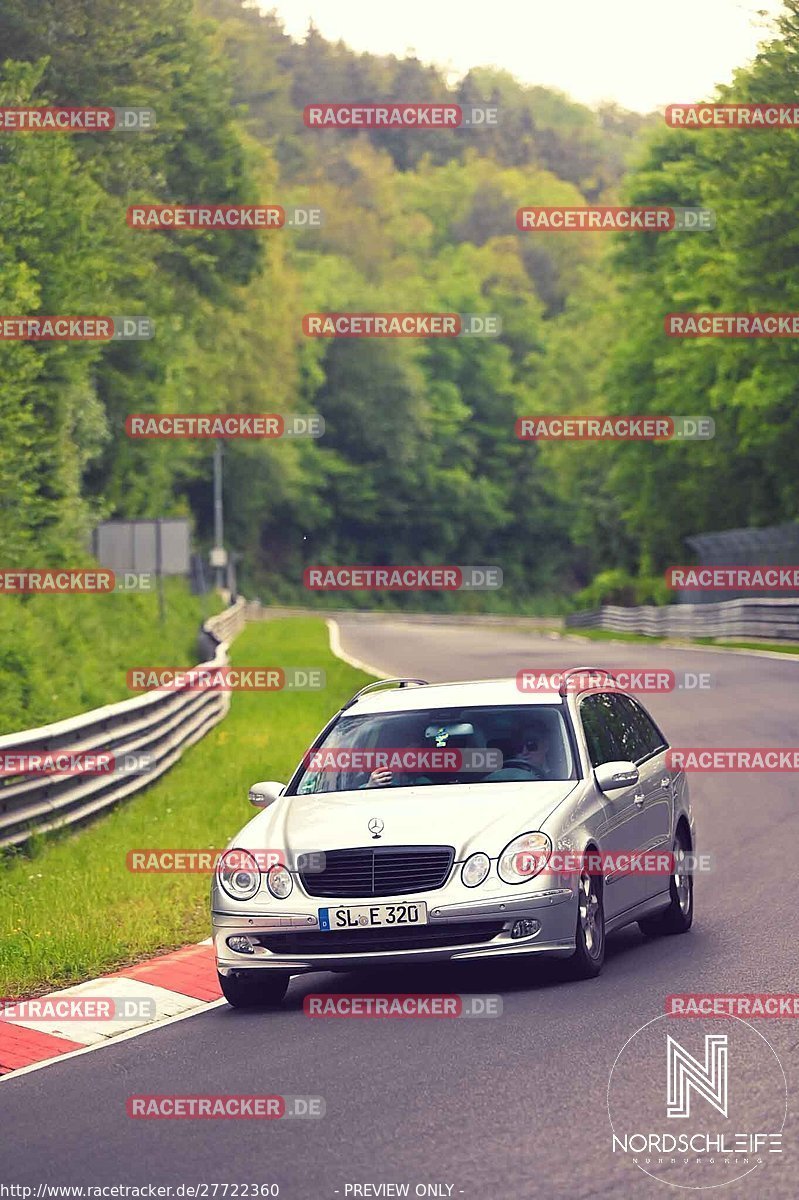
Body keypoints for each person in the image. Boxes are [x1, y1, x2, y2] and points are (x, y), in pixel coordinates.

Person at [484, 719, 553, 782]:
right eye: (519, 747)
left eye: (531, 745)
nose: (524, 752)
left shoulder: (559, 777)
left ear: (546, 745)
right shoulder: (503, 778)